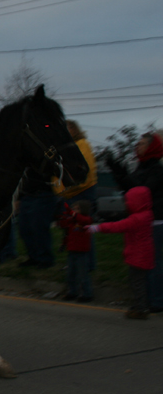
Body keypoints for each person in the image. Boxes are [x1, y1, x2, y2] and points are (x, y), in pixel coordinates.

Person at [107, 131, 163, 313]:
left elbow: (141, 191)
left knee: (153, 262)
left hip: (155, 221)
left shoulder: (157, 169)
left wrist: (123, 174)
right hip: (142, 222)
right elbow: (130, 189)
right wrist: (117, 172)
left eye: (142, 144)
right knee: (142, 262)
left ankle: (156, 301)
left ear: (152, 146)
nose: (137, 146)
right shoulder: (141, 166)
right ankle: (146, 300)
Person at [89, 186, 155, 319]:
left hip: (139, 255)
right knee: (140, 281)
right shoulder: (147, 215)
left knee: (137, 282)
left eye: (128, 201)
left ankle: (141, 308)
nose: (126, 204)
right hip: (143, 254)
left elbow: (119, 226)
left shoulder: (137, 218)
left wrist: (98, 227)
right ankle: (140, 305)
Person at [51, 120, 98, 270]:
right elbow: (57, 173)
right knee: (72, 231)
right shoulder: (63, 149)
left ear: (73, 130)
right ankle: (76, 264)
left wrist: (63, 188)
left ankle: (87, 264)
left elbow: (82, 172)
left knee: (82, 230)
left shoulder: (82, 145)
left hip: (82, 193)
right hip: (71, 194)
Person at [17, 168, 57, 269]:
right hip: (26, 195)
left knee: (39, 227)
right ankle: (33, 257)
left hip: (42, 194)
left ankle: (45, 259)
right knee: (24, 228)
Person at [57, 200, 94, 302]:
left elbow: (84, 220)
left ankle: (87, 294)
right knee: (71, 273)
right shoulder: (72, 222)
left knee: (83, 274)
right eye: (74, 209)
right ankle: (72, 292)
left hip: (82, 251)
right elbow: (65, 231)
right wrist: (63, 244)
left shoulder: (87, 220)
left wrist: (72, 214)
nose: (74, 211)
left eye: (77, 209)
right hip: (72, 251)